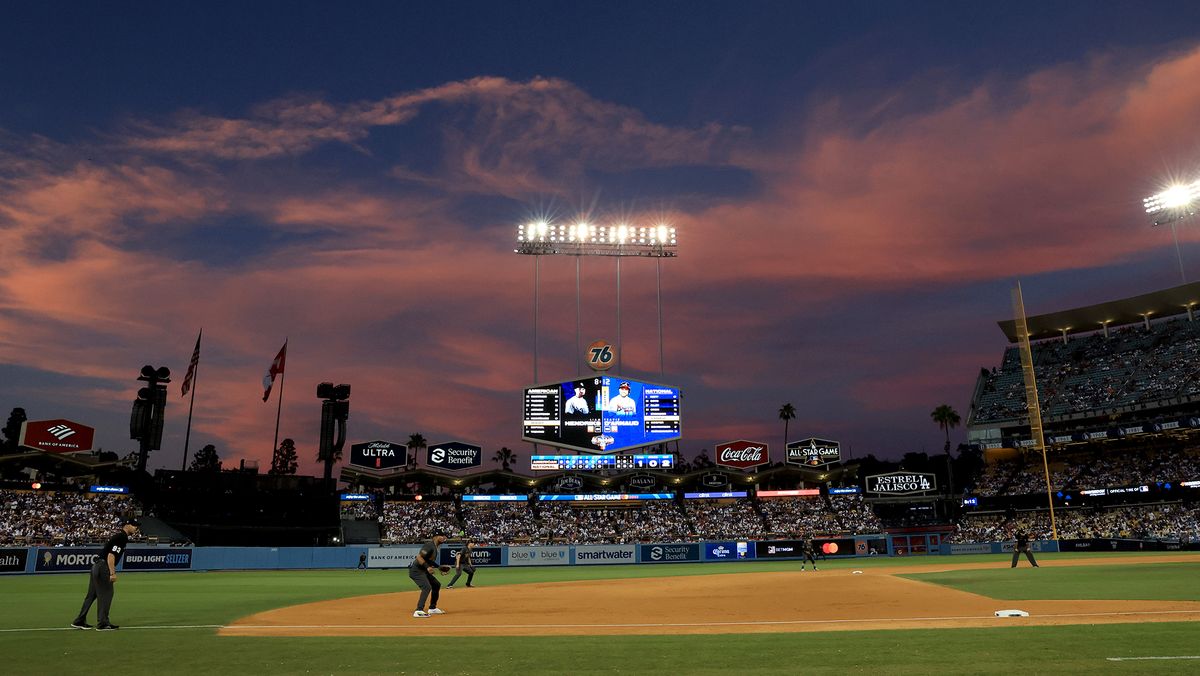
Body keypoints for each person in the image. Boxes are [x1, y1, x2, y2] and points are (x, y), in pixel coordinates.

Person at [72, 518, 139, 631]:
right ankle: (103, 623)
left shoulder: (119, 536)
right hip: (103, 567)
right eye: (134, 525)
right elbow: (111, 555)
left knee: (91, 595)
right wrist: (112, 573)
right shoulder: (122, 537)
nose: (136, 527)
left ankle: (79, 620)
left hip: (96, 565)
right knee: (107, 594)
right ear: (127, 525)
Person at [410, 530, 448, 618]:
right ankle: (419, 610)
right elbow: (419, 557)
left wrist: (439, 567)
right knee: (427, 587)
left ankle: (432, 608)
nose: (443, 537)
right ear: (435, 537)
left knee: (436, 585)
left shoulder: (435, 547)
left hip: (423, 571)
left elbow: (428, 560)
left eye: (444, 536)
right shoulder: (429, 545)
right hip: (417, 571)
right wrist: (427, 567)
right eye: (441, 535)